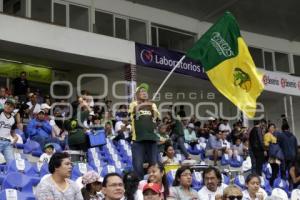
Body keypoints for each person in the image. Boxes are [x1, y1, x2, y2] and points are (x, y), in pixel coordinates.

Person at [129, 83, 160, 179]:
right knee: (138, 164)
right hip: (138, 139)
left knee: (153, 164)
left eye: (145, 91)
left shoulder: (153, 105)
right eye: (142, 91)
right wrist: (147, 104)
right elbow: (136, 110)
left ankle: (153, 182)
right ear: (137, 95)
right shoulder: (133, 103)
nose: (144, 93)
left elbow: (156, 117)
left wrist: (151, 106)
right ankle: (139, 183)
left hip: (151, 138)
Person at [0, 98, 18, 163]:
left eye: (11, 106)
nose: (8, 107)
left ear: (13, 109)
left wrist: (16, 137)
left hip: (7, 143)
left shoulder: (13, 119)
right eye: (7, 104)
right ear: (4, 104)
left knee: (12, 163)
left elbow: (12, 132)